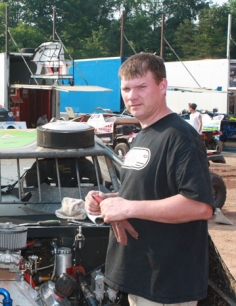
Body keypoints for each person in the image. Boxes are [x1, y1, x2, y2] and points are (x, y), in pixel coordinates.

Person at [84, 53, 214, 305]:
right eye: (126, 88)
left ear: (162, 86)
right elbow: (147, 190)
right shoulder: (144, 135)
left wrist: (127, 207)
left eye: (142, 87)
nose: (132, 96)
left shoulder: (180, 137)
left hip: (166, 285)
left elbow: (200, 206)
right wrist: (107, 200)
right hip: (142, 277)